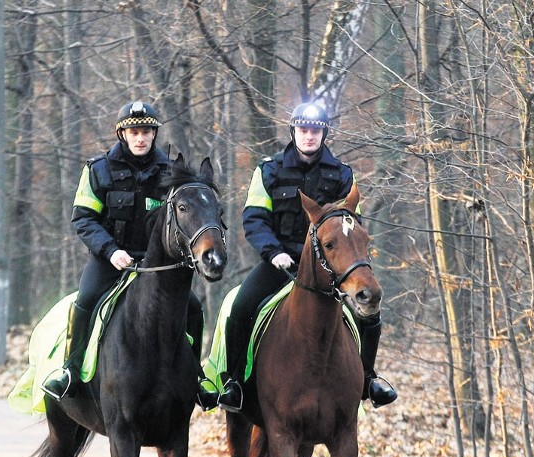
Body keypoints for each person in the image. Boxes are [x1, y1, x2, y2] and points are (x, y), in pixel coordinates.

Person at [217, 101, 397, 412]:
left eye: (315, 130)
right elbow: (255, 218)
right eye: (303, 130)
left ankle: (368, 379)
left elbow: (353, 225)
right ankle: (234, 382)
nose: (309, 136)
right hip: (281, 262)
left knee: (370, 314)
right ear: (293, 132)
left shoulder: (343, 175)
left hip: (330, 269)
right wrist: (273, 253)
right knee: (242, 304)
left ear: (324, 133)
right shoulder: (268, 170)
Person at [41, 100, 213, 407]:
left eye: (147, 131)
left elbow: (186, 217)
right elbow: (83, 218)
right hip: (111, 259)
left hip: (156, 265)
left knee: (195, 309)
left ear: (154, 134)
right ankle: (70, 369)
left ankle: (197, 378)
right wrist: (111, 251)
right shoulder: (98, 169)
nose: (141, 138)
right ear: (122, 134)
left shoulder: (169, 173)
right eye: (134, 131)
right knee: (85, 301)